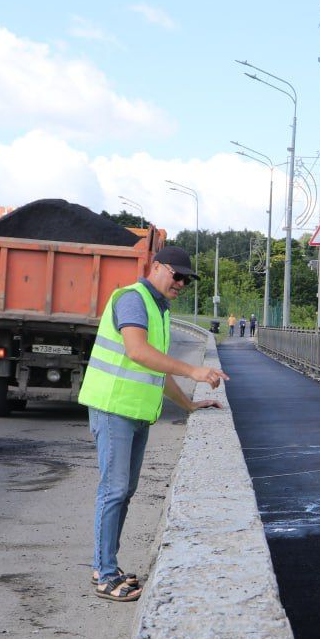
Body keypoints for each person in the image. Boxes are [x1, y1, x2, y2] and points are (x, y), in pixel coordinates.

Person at [78, 245, 230, 602]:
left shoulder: (159, 309)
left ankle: (107, 565)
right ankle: (104, 573)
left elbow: (157, 368)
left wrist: (189, 404)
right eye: (177, 275)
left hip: (137, 413)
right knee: (113, 491)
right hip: (114, 408)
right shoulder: (133, 299)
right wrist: (194, 369)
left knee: (124, 491)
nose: (181, 284)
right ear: (157, 267)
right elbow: (137, 352)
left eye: (186, 280)